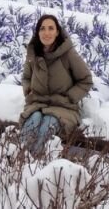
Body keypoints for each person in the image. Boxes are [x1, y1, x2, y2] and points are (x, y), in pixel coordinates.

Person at [19, 15, 93, 155]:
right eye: (42, 29)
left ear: (57, 32)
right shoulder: (34, 53)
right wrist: (28, 90)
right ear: (38, 32)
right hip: (37, 103)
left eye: (51, 28)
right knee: (33, 120)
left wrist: (70, 97)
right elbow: (26, 77)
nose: (47, 33)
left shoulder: (68, 53)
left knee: (48, 123)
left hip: (63, 107)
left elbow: (86, 80)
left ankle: (35, 164)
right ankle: (20, 161)